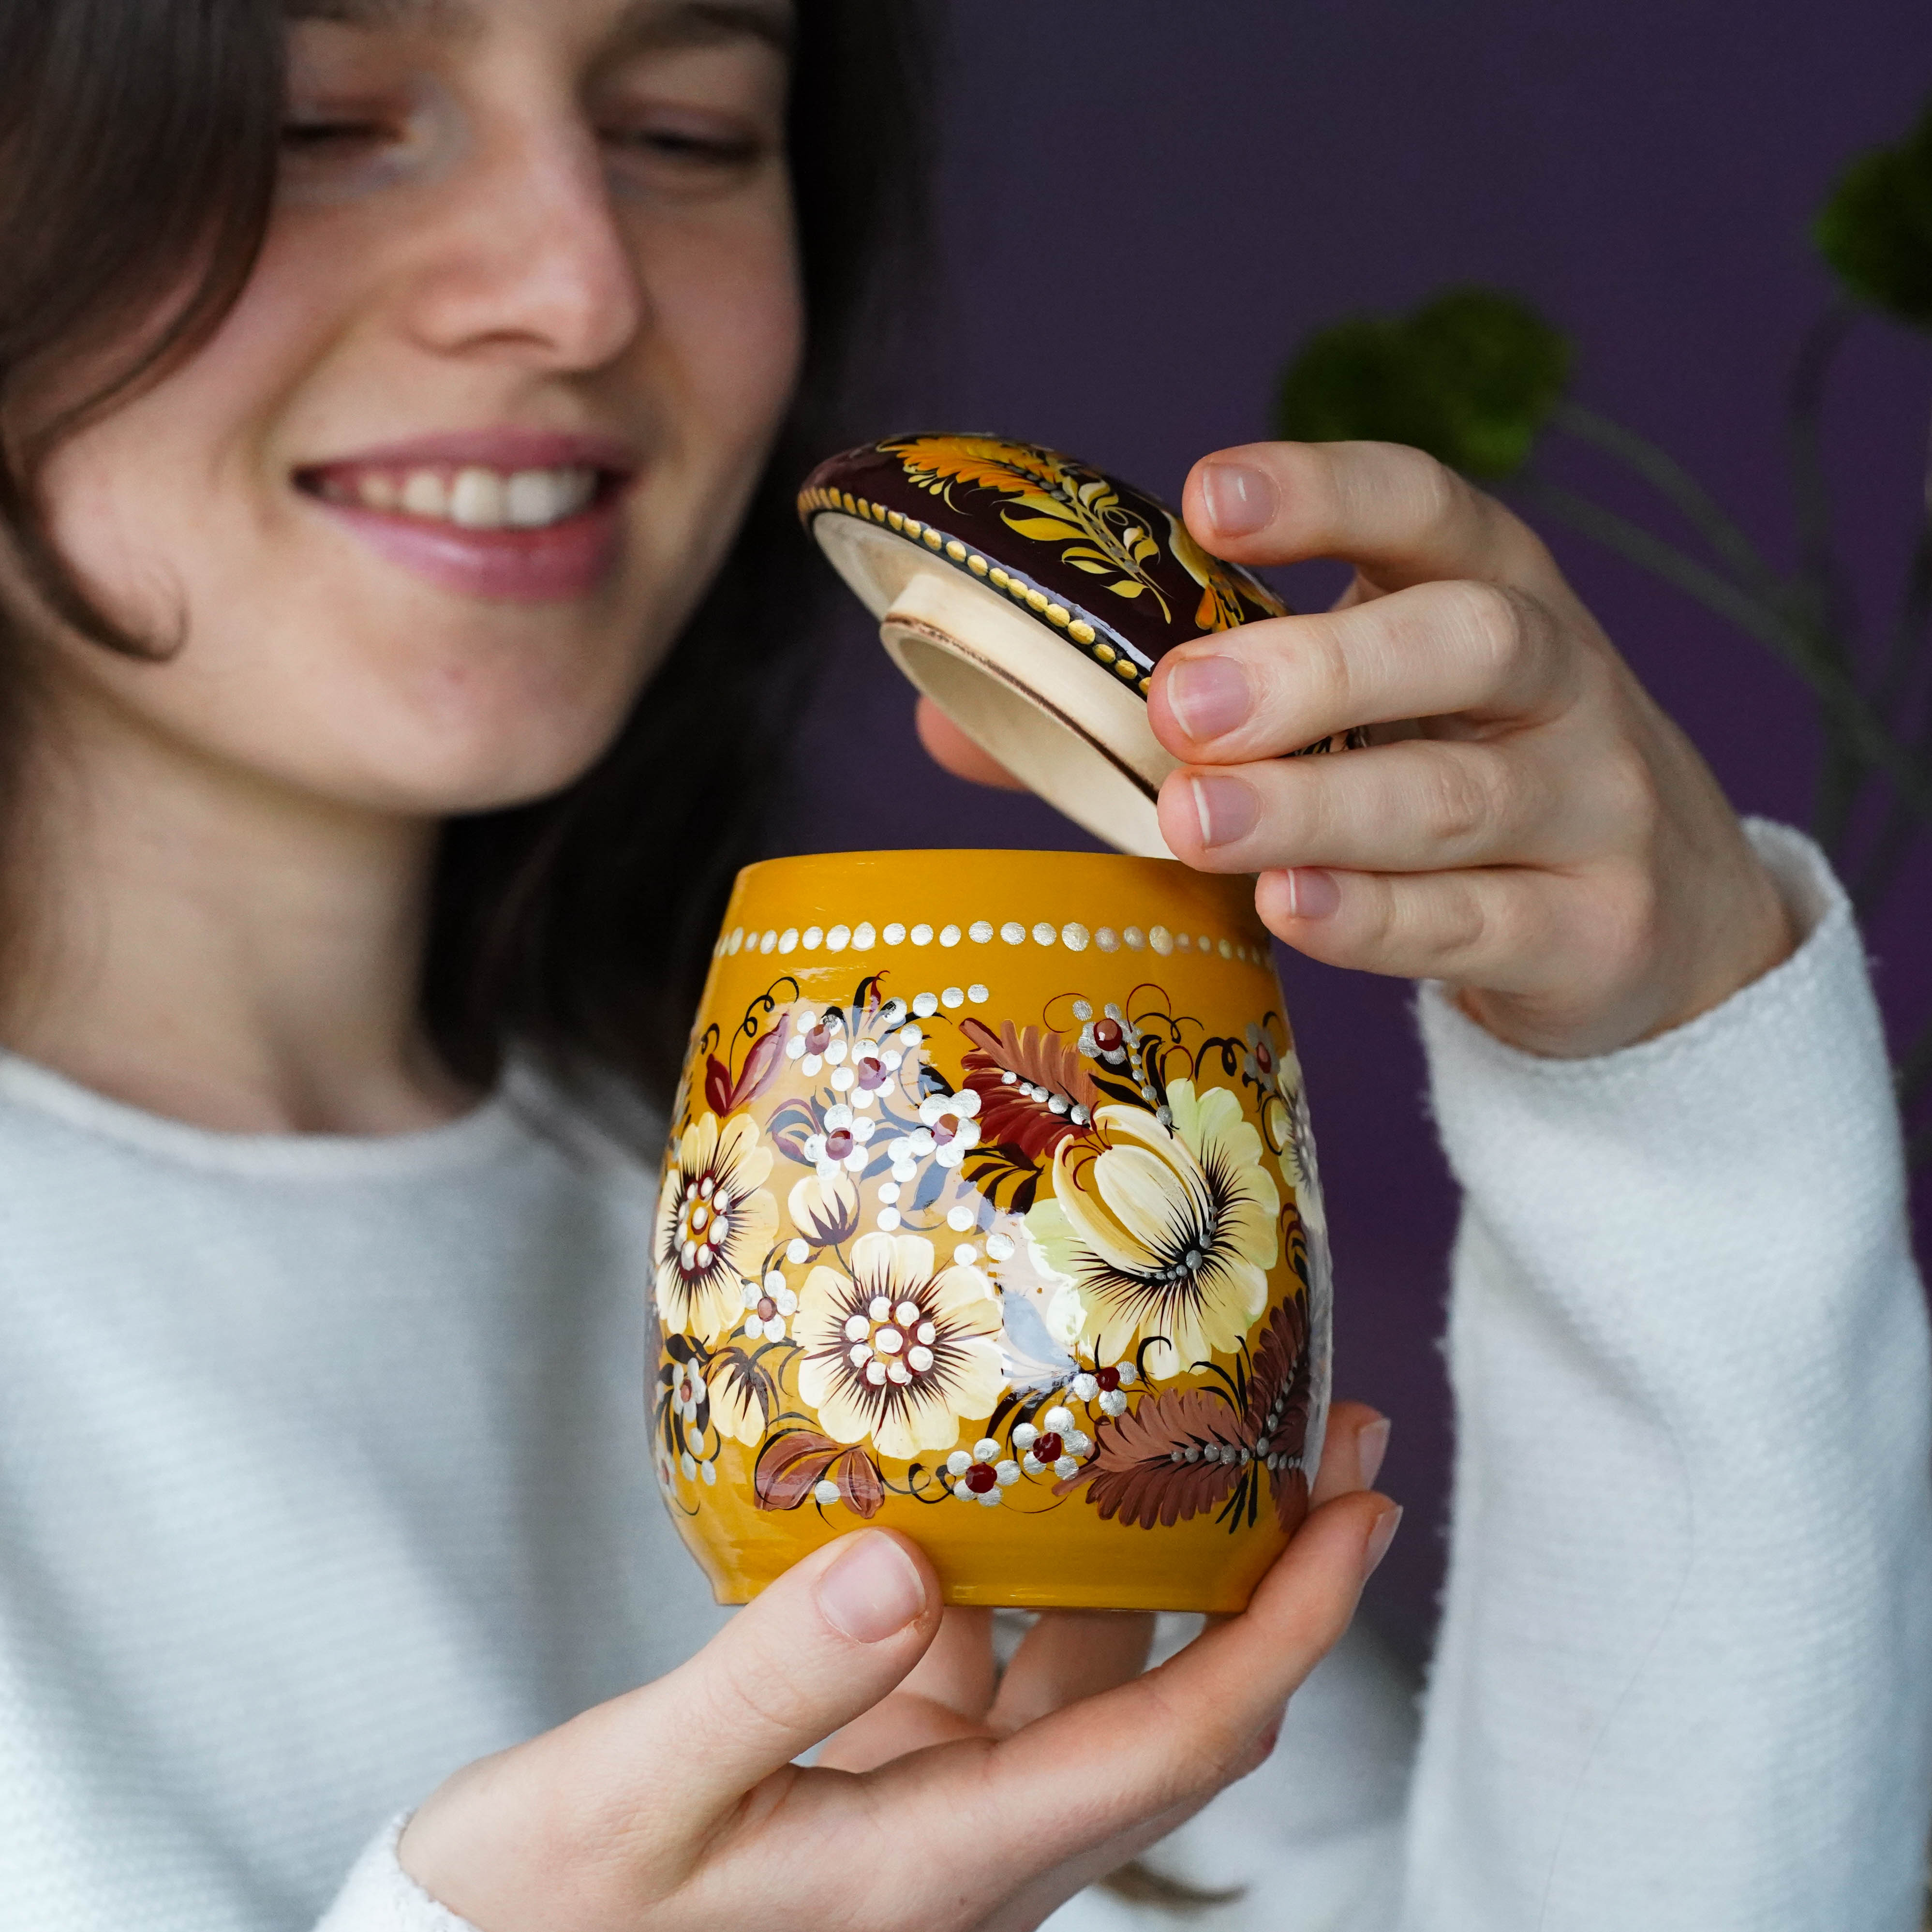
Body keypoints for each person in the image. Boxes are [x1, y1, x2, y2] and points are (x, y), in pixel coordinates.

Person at [0, 3, 1923, 1930]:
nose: (578, 288)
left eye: (685, 133)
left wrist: (1679, 1084)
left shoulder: (942, 1265)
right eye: (319, 121)